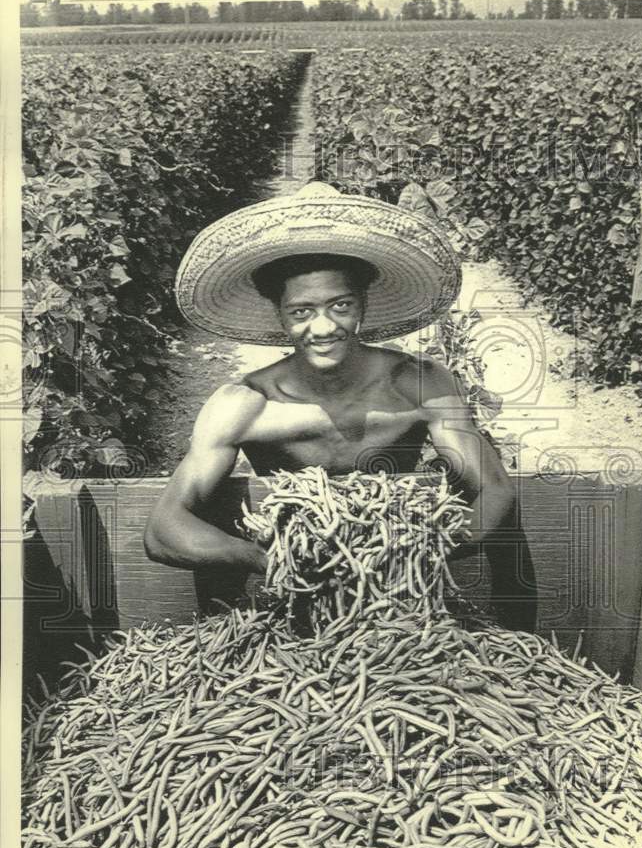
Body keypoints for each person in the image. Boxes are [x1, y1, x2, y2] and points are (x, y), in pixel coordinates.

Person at [144, 183, 536, 630]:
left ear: (363, 304)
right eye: (301, 312)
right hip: (298, 597)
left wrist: (416, 547)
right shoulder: (245, 405)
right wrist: (266, 558)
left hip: (398, 600)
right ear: (280, 314)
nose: (324, 327)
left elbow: (496, 489)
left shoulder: (418, 385)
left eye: (341, 305)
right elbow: (162, 529)